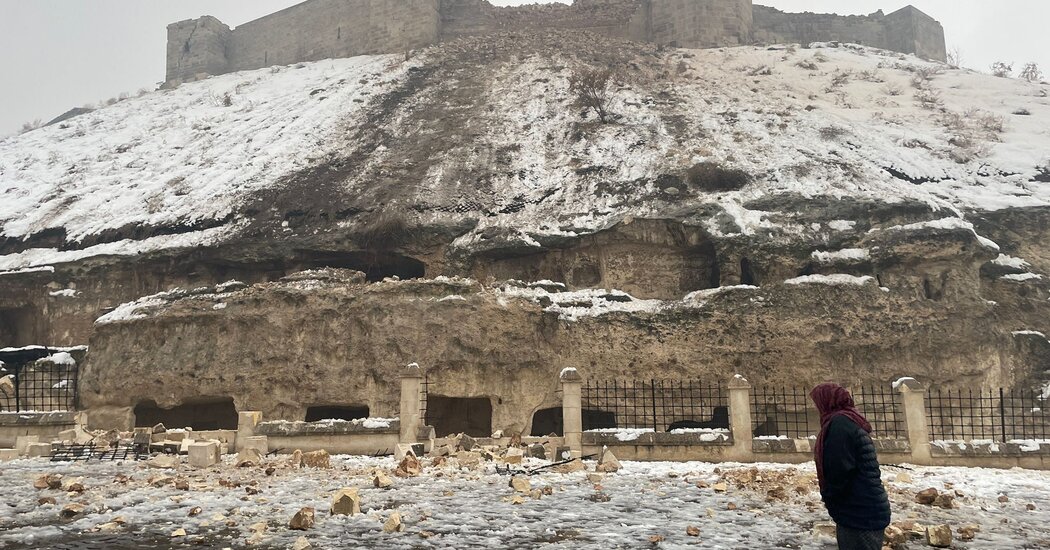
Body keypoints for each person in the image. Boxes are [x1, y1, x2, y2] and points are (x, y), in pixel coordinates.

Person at [810, 383, 891, 550]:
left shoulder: (839, 424)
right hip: (866, 507)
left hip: (858, 511)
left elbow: (839, 468)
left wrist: (830, 496)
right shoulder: (849, 419)